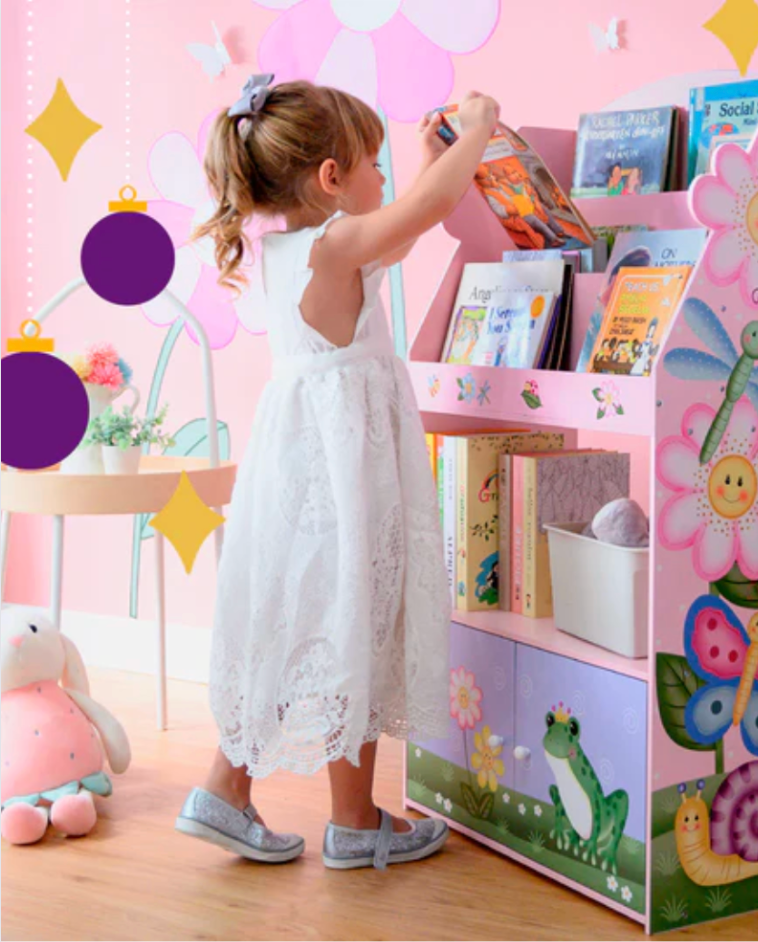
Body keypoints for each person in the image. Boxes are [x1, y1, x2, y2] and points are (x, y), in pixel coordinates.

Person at [175, 74, 500, 870]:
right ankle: (342, 818)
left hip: (307, 478)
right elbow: (418, 214)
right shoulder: (330, 244)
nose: (384, 180)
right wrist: (481, 131)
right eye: (374, 165)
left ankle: (244, 792)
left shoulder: (305, 248)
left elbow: (400, 229)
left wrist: (427, 160)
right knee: (348, 620)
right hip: (340, 482)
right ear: (330, 179)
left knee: (310, 627)